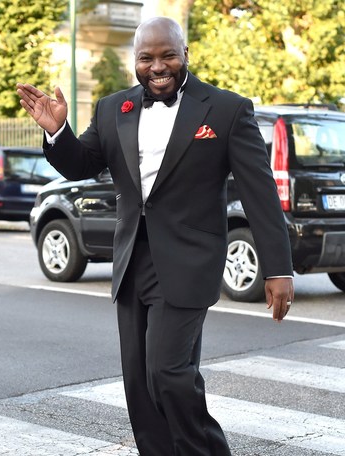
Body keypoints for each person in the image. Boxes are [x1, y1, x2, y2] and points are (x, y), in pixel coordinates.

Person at [16, 16, 294, 456]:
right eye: (146, 57)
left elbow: (260, 193)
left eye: (168, 54)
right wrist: (57, 131)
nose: (157, 65)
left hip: (189, 260)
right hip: (132, 262)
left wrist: (279, 268)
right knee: (140, 387)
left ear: (186, 54)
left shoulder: (225, 109)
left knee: (168, 372)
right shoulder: (113, 108)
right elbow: (83, 164)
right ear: (135, 61)